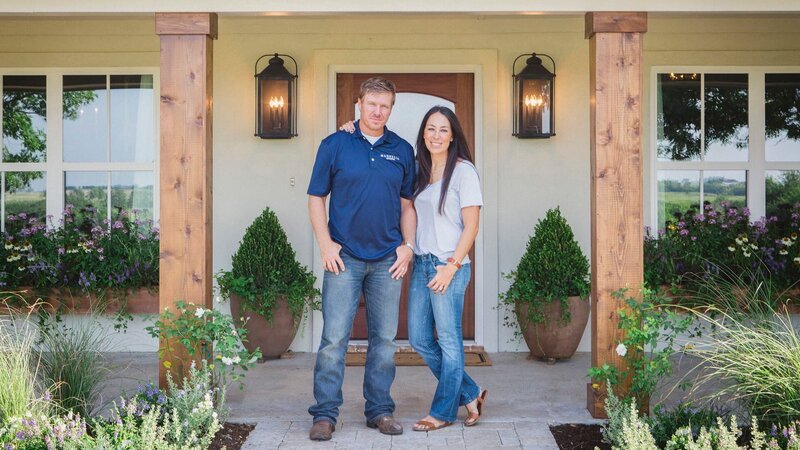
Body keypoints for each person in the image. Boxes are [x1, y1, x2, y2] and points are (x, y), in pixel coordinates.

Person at [340, 105, 487, 432]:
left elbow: (471, 226)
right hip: (421, 264)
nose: (436, 135)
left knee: (449, 340)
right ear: (423, 133)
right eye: (431, 129)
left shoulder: (463, 172)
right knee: (420, 339)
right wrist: (352, 129)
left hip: (449, 264)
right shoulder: (419, 169)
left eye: (443, 130)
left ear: (453, 136)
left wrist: (450, 267)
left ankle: (444, 411)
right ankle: (471, 393)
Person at [306, 77, 416, 441]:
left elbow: (407, 204)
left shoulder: (401, 150)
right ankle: (324, 414)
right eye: (372, 104)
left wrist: (408, 245)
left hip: (388, 260)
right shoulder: (335, 144)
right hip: (344, 258)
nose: (377, 111)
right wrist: (325, 244)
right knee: (334, 339)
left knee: (384, 341)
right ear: (359, 104)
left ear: (391, 108)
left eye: (384, 105)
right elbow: (315, 197)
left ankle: (380, 410)